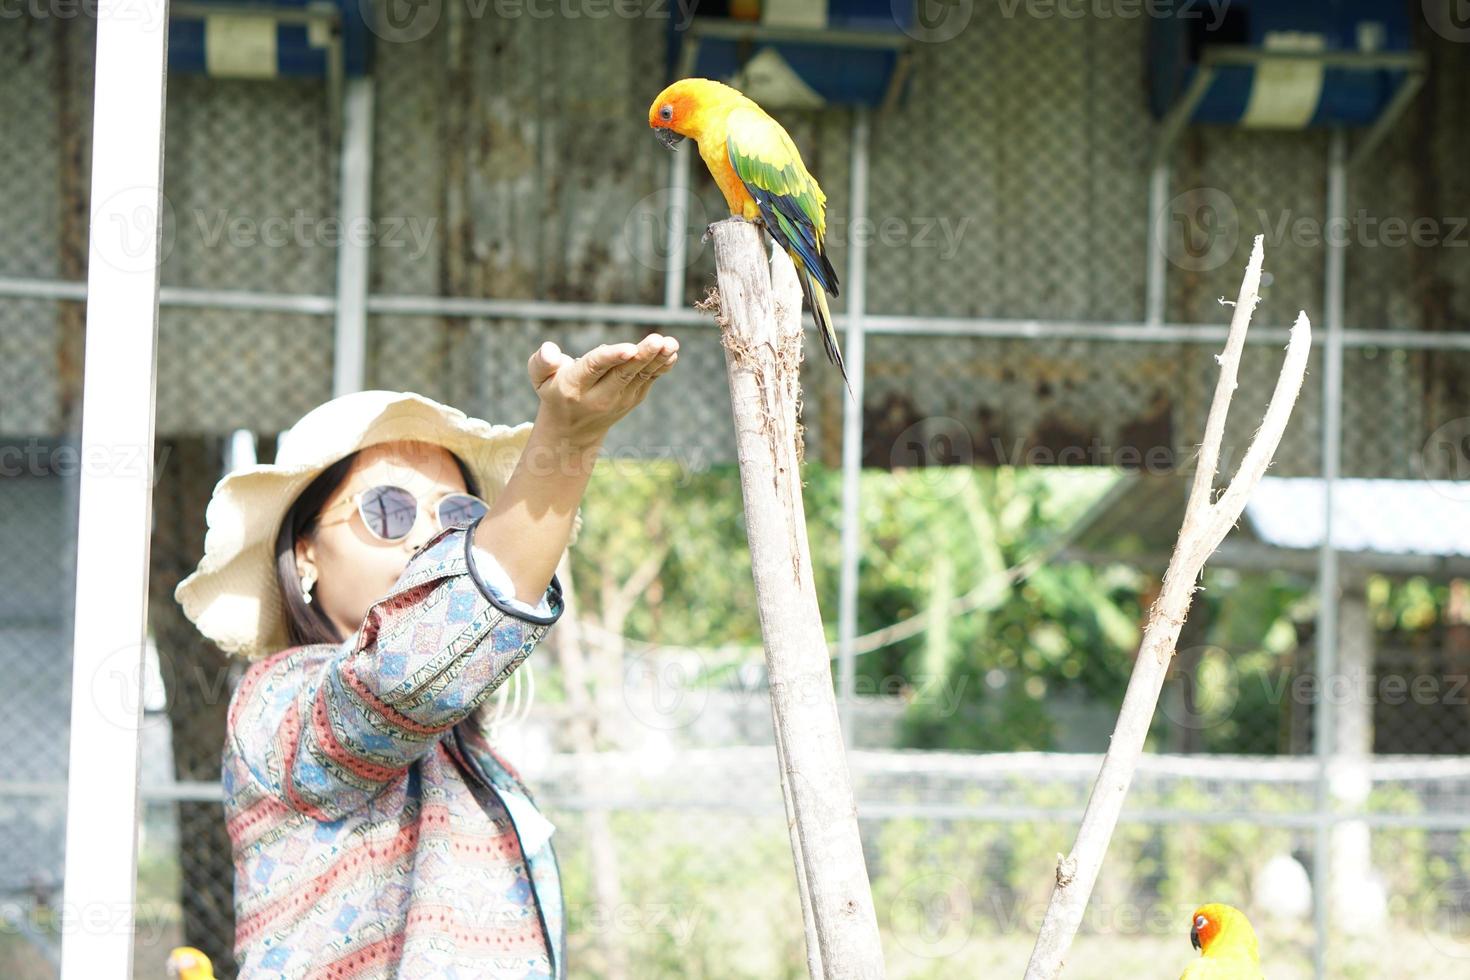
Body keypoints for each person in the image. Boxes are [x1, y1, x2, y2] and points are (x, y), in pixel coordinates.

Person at [174, 334, 679, 978]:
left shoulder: (463, 753)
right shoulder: (276, 701)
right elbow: (406, 669)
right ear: (304, 552)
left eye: (459, 515)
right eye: (389, 508)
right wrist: (568, 440)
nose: (431, 536)